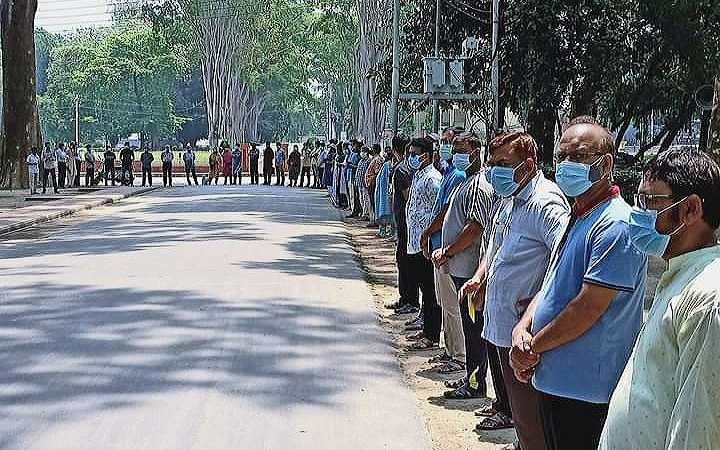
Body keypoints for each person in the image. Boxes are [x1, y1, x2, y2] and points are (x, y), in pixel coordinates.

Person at [510, 118, 647, 450]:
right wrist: (521, 329)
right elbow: (551, 284)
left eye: (579, 156)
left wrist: (532, 348)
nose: (567, 165)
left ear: (606, 164)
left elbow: (587, 308)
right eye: (562, 156)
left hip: (587, 392)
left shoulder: (615, 225)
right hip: (554, 381)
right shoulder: (579, 216)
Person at [599, 148, 720, 449]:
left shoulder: (707, 296)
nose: (638, 213)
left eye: (649, 201)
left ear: (690, 209)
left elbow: (697, 428)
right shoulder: (681, 276)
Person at [460, 132, 569, 446]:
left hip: (524, 329)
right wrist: (480, 277)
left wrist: (536, 305)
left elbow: (563, 260)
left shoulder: (545, 202)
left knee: (530, 415)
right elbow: (496, 248)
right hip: (500, 321)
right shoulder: (508, 200)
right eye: (492, 164)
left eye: (503, 164)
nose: (495, 171)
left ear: (527, 165)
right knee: (519, 411)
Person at [433, 136, 503, 399]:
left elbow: (474, 228)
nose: (456, 155)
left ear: (476, 152)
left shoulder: (479, 185)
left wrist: (449, 251)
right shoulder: (468, 182)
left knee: (474, 331)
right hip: (463, 269)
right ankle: (471, 377)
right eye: (455, 151)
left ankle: (475, 383)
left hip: (470, 270)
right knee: (470, 328)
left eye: (462, 151)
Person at [418, 128, 467, 375]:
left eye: (450, 144)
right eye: (445, 143)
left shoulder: (458, 175)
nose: (445, 148)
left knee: (452, 305)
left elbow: (446, 211)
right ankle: (449, 351)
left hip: (450, 251)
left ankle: (459, 355)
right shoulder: (447, 172)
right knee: (443, 302)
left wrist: (427, 232)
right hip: (439, 247)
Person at [405, 137, 442, 351]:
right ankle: (426, 328)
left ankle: (431, 334)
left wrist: (428, 236)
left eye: (414, 153)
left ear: (425, 155)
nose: (411, 157)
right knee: (423, 288)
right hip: (414, 241)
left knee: (430, 292)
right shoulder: (419, 175)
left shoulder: (432, 179)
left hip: (425, 244)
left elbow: (438, 212)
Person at [364, 144, 384, 228]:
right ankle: (374, 220)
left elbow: (377, 173)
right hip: (370, 183)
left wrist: (372, 182)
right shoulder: (375, 159)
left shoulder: (378, 160)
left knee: (374, 202)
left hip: (372, 184)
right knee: (372, 202)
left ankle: (375, 221)